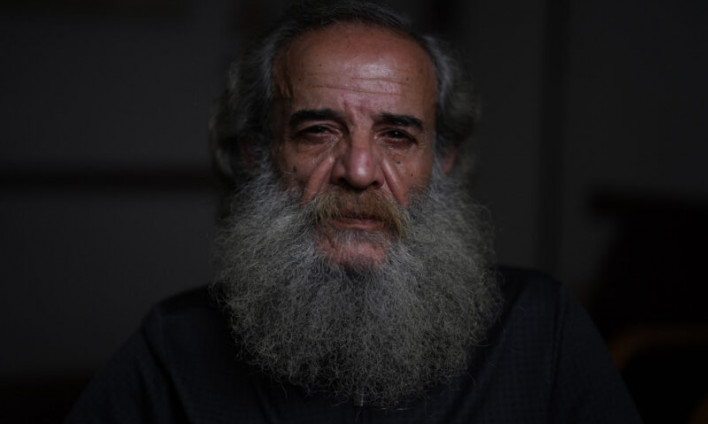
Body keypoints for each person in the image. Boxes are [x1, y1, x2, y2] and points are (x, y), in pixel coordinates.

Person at [66, 1, 642, 422]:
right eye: (318, 131)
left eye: (398, 135)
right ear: (256, 153)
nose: (360, 171)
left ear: (442, 162)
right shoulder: (175, 347)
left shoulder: (541, 329)